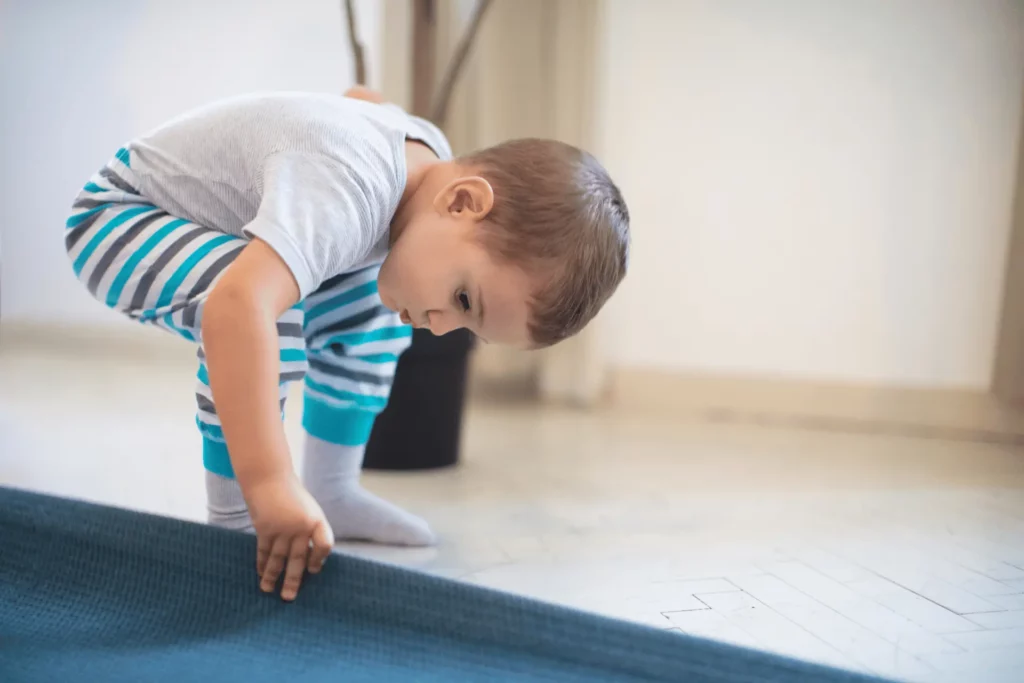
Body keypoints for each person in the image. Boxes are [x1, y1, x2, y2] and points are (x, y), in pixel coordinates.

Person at [63, 87, 630, 601]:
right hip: (119, 217)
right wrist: (270, 483)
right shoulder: (345, 184)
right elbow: (236, 308)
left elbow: (362, 98)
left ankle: (332, 488)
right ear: (462, 203)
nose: (440, 326)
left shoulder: (423, 158)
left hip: (206, 224)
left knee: (377, 311)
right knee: (262, 313)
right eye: (462, 300)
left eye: (465, 327)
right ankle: (234, 520)